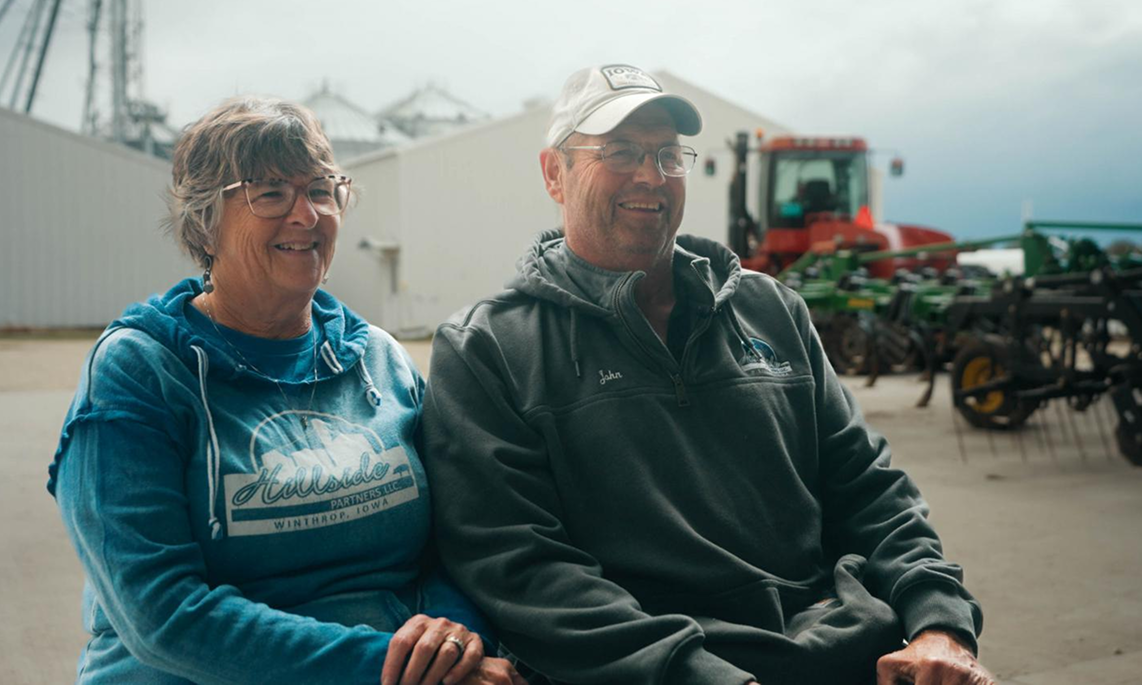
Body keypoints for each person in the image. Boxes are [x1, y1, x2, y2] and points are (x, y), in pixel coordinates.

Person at [421, 65, 994, 684]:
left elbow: (869, 489)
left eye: (668, 153)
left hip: (844, 649)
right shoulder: (488, 348)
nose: (650, 174)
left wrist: (940, 625)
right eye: (620, 151)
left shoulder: (773, 310)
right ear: (554, 174)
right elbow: (522, 566)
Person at [48, 97, 523, 685]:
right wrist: (391, 670)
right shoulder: (140, 372)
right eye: (270, 193)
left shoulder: (377, 356)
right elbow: (163, 615)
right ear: (204, 221)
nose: (307, 214)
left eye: (321, 190)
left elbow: (452, 541)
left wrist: (453, 645)